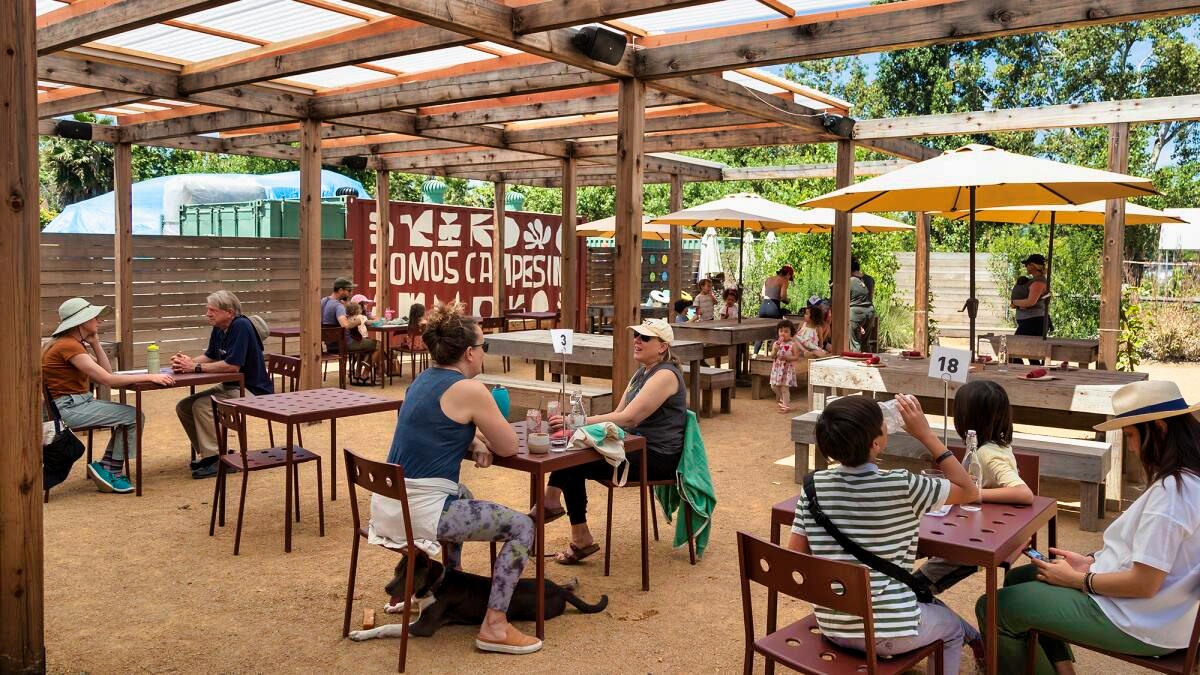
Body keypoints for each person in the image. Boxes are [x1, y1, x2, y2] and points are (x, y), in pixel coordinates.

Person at [981, 379, 1200, 675]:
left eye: (1132, 436)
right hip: (1159, 613)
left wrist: (1079, 580)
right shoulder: (1187, 480)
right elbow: (1161, 560)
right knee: (1021, 577)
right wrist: (1092, 562)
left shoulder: (1172, 494)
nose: (1132, 448)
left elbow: (1145, 583)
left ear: (1160, 429)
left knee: (995, 609)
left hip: (1137, 619)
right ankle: (1062, 668)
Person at [374, 303, 541, 655]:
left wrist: (472, 438)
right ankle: (495, 625)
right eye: (484, 347)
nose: (484, 354)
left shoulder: (421, 381)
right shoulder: (470, 390)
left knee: (463, 494)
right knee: (523, 528)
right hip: (423, 511)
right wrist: (483, 437)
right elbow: (509, 446)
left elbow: (432, 429)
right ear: (468, 352)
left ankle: (446, 586)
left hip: (391, 504)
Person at [789, 394, 981, 674]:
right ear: (876, 444)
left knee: (930, 606)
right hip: (887, 634)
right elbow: (969, 490)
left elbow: (796, 555)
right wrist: (926, 434)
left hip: (831, 624)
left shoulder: (812, 488)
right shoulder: (903, 485)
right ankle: (971, 639)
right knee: (951, 629)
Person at [541, 318, 686, 564]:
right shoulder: (642, 373)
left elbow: (630, 417)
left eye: (645, 337)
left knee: (573, 460)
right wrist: (579, 427)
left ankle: (566, 523)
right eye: (636, 336)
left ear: (662, 347)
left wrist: (577, 422)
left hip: (658, 456)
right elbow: (620, 417)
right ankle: (552, 505)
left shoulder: (665, 376)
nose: (637, 341)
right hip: (634, 447)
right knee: (572, 452)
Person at [41, 298, 175, 494]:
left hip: (71, 405)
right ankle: (110, 468)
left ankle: (107, 466)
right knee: (133, 416)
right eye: (94, 317)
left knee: (131, 415)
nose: (99, 320)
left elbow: (107, 370)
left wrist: (95, 342)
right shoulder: (68, 346)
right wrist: (152, 376)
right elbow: (108, 380)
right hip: (69, 409)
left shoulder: (69, 344)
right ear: (80, 321)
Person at [916, 381, 1035, 593]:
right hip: (974, 527)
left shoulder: (987, 453)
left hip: (981, 540)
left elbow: (1024, 493)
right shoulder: (988, 445)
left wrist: (971, 493)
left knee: (920, 583)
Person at [172, 291, 273, 479]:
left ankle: (219, 459)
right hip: (231, 387)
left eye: (213, 310)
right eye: (207, 309)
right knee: (184, 407)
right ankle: (210, 454)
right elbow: (210, 356)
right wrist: (186, 363)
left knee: (202, 406)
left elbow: (233, 366)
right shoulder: (219, 327)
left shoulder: (241, 326)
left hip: (252, 390)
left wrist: (194, 367)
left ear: (229, 312)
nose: (208, 313)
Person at [322, 277, 378, 359]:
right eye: (348, 290)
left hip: (329, 345)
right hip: (345, 344)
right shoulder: (338, 306)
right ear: (340, 290)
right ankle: (365, 372)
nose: (351, 293)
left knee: (364, 345)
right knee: (378, 345)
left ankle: (360, 371)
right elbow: (345, 325)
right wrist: (358, 321)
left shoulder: (323, 301)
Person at [1010, 254, 1051, 363]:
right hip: (1031, 321)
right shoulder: (1035, 280)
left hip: (1034, 321)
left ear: (1033, 266)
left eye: (1027, 265)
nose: (1025, 267)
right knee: (1031, 354)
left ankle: (1021, 372)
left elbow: (1031, 301)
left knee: (1013, 349)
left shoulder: (1038, 282)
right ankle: (1032, 373)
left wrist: (1015, 303)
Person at [770, 319, 801, 413]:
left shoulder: (793, 344)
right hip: (777, 369)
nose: (783, 333)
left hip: (787, 369)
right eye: (781, 331)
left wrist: (788, 357)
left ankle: (786, 405)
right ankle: (784, 399)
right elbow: (772, 356)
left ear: (791, 333)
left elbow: (796, 357)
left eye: (786, 331)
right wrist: (775, 350)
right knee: (773, 386)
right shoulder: (776, 344)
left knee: (784, 387)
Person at [849, 258, 877, 352]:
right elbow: (871, 295)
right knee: (866, 342)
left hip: (855, 312)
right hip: (870, 311)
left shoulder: (850, 281)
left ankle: (856, 363)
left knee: (855, 342)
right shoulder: (870, 279)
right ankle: (869, 362)